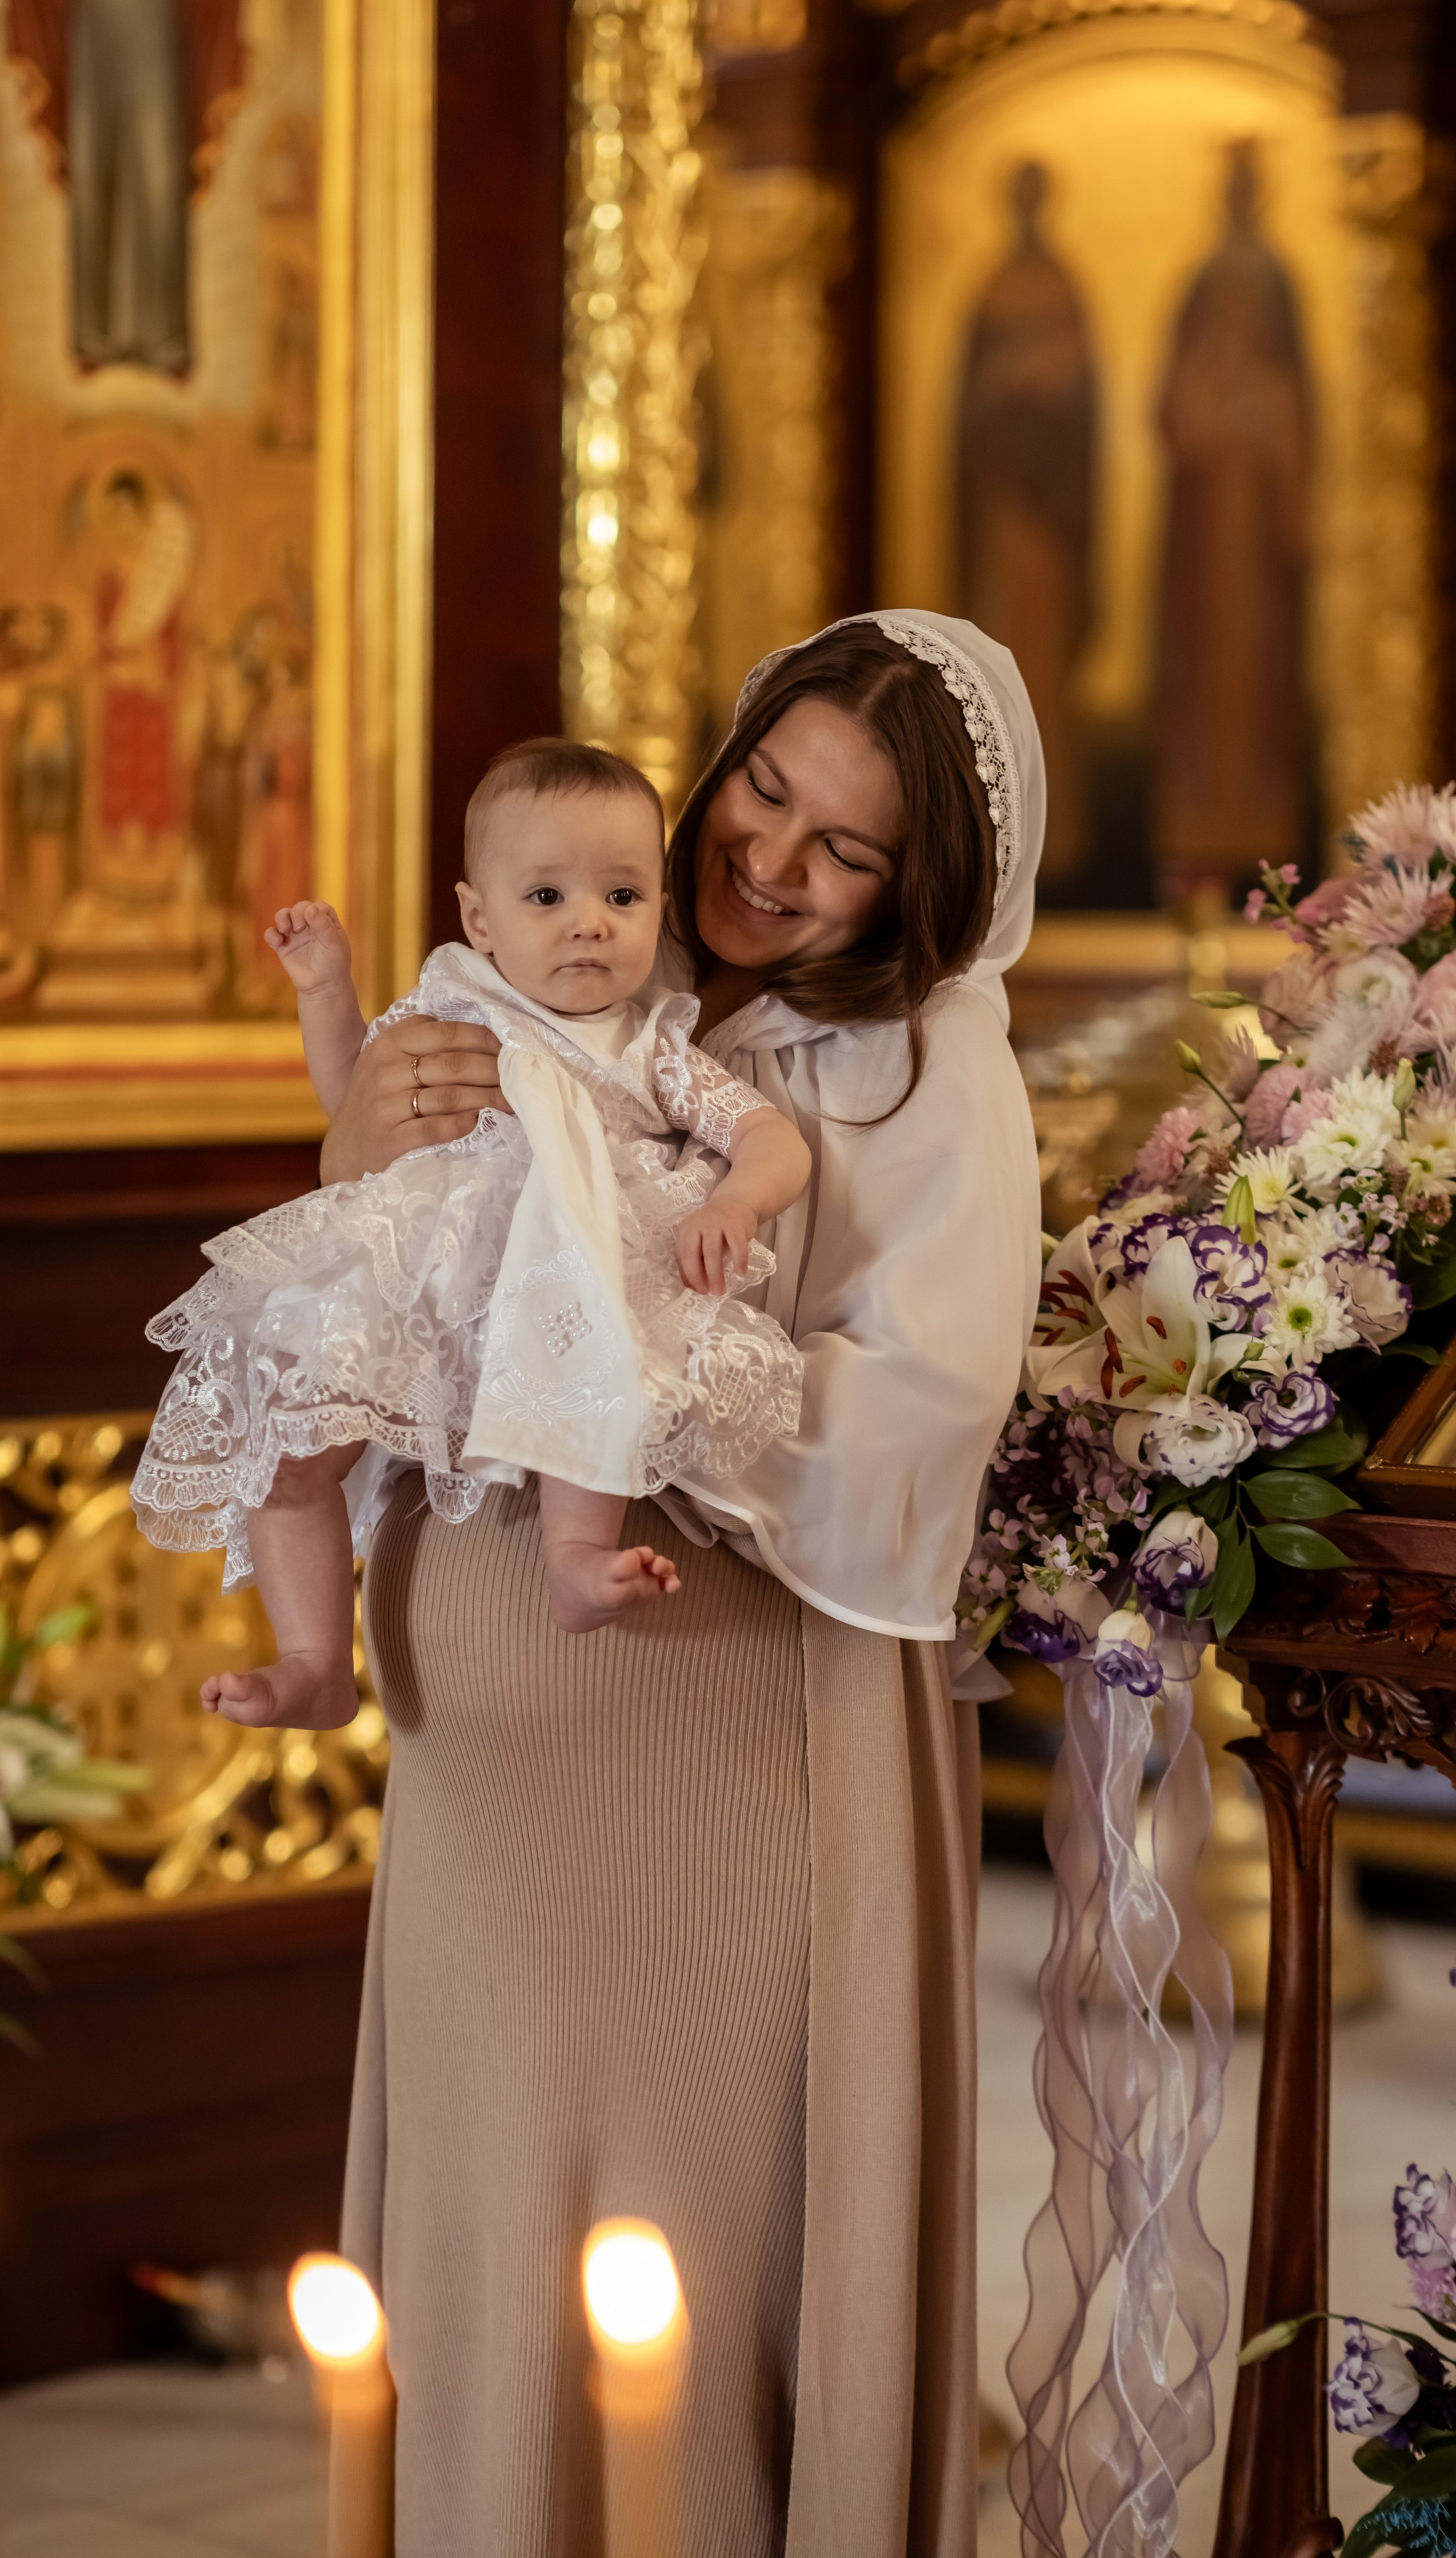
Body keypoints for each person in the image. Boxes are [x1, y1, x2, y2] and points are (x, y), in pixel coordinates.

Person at [298, 612, 1044, 2556]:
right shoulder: (591, 941)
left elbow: (933, 1397)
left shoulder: (931, 1057)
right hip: (488, 1693)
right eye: (762, 790)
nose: (767, 859)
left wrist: (651, 1398)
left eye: (844, 848)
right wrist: (356, 1118)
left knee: (704, 2220)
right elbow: (393, 1243)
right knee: (485, 2179)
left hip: (732, 1709)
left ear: (924, 886)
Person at [131, 738, 811, 1728]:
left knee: (592, 1367)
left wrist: (733, 1203)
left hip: (561, 1266)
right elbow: (353, 1102)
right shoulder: (452, 1003)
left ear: (658, 909)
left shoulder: (649, 1048)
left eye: (621, 897)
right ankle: (316, 1661)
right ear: (478, 919)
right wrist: (326, 988)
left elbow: (768, 1137)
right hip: (419, 1278)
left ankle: (575, 1562)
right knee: (290, 1440)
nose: (588, 924)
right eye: (547, 899)